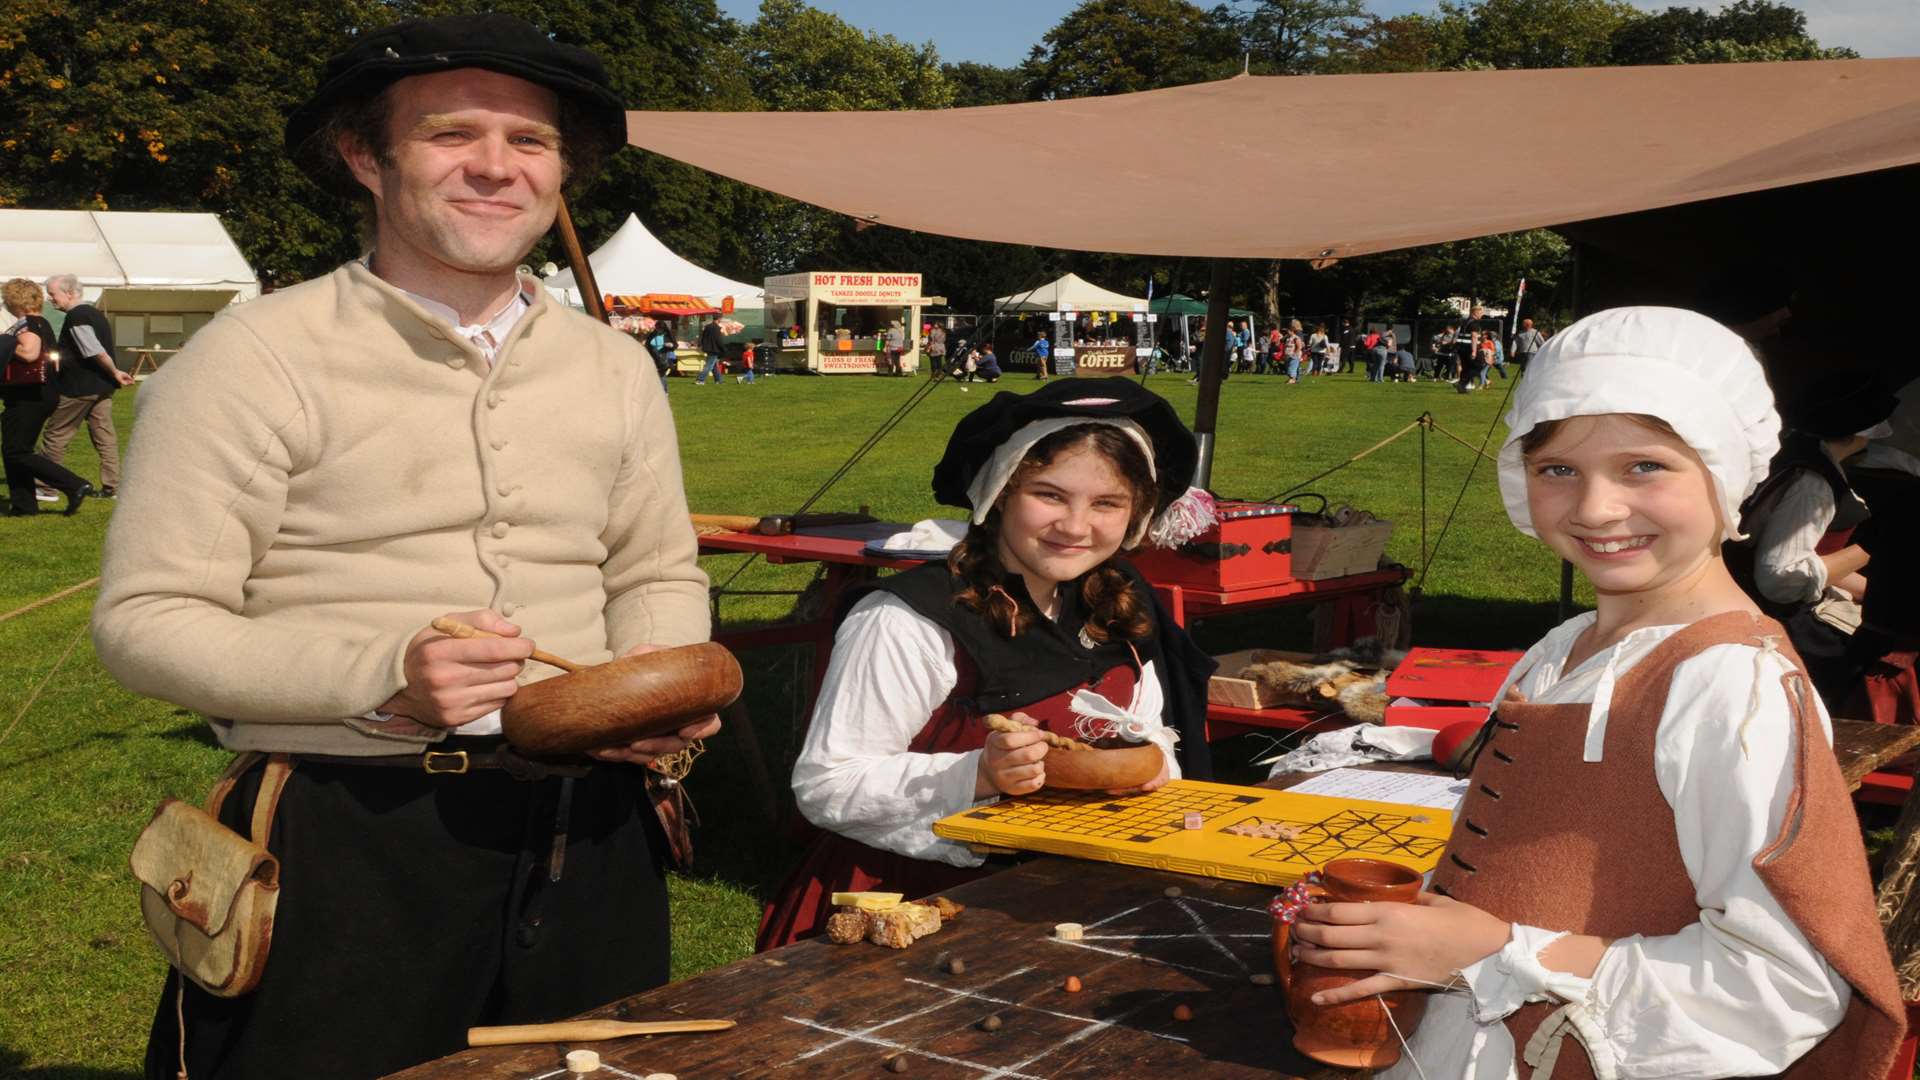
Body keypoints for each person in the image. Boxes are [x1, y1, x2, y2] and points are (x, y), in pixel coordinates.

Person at [91, 15, 717, 1078]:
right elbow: (146, 620)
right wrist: (380, 673)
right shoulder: (253, 358)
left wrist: (647, 699)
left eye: (530, 142)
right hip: (350, 835)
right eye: (450, 135)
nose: (494, 167)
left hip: (595, 829)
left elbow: (653, 567)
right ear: (363, 158)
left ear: (564, 172)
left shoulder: (614, 367)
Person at [1293, 307, 1905, 1079]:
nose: (1595, 508)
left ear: (1722, 471)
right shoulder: (1567, 645)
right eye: (1559, 470)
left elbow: (1779, 987)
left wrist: (1493, 951)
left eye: (1644, 466)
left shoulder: (1728, 684)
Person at [757, 378, 1218, 949]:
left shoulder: (1118, 602)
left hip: (1065, 896)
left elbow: (1150, 735)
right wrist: (975, 773)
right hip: (908, 907)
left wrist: (1148, 767)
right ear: (1000, 493)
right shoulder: (909, 620)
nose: (1075, 527)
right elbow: (826, 784)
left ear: (1137, 514)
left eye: (1106, 504)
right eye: (1048, 495)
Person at [1725, 376, 1895, 709]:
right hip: (1773, 620)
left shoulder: (1791, 453)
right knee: (1883, 656)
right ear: (1860, 431)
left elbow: (1810, 556)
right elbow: (1779, 579)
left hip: (1750, 596)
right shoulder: (1812, 484)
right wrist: (1873, 545)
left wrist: (1875, 594)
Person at [2, 278, 91, 516]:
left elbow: (29, 354)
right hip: (37, 394)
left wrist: (6, 341)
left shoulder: (28, 324)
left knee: (16, 452)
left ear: (14, 301)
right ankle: (23, 505)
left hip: (29, 395)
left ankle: (74, 485)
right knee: (14, 450)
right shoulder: (39, 322)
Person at [40, 273, 132, 498]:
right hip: (101, 387)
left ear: (70, 293)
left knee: (56, 436)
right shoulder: (94, 313)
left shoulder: (77, 317)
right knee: (104, 437)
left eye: (53, 295)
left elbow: (94, 351)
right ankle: (112, 487)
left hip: (80, 388)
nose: (51, 300)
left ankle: (45, 488)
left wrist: (115, 371)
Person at [696, 312, 725, 384]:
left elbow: (702, 337)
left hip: (707, 348)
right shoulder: (717, 328)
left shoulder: (707, 327)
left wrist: (702, 345)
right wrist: (723, 349)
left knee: (714, 365)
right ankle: (700, 379)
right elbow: (718, 340)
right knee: (709, 365)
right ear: (719, 319)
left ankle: (719, 380)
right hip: (714, 349)